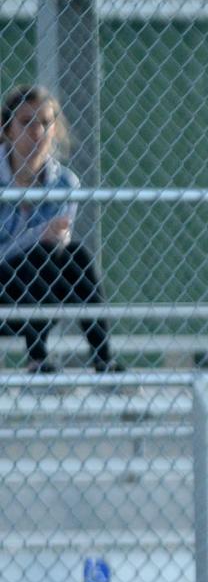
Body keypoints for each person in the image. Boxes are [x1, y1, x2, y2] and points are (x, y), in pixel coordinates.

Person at [0, 84, 120, 374]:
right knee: (39, 252)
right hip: (4, 291)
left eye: (45, 123)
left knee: (75, 254)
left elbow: (56, 254)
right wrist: (36, 236)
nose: (37, 132)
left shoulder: (65, 183)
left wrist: (52, 240)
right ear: (8, 129)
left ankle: (104, 359)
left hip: (40, 294)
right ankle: (37, 358)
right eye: (26, 122)